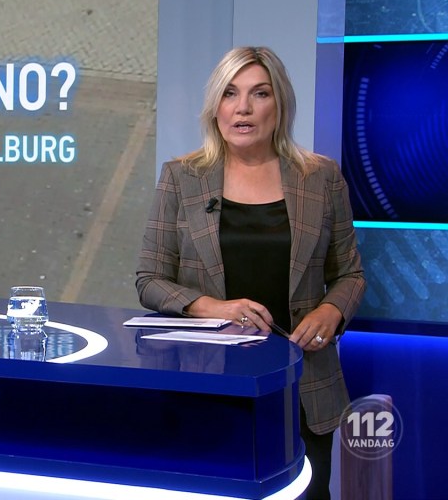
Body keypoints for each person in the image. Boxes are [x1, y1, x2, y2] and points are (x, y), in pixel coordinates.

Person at [135, 46, 366, 500]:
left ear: (279, 104)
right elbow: (150, 280)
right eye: (230, 93)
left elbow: (350, 275)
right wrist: (213, 308)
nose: (242, 107)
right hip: (208, 386)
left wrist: (331, 312)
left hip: (301, 388)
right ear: (215, 106)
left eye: (259, 93)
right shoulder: (182, 177)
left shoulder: (320, 178)